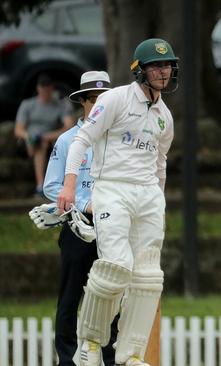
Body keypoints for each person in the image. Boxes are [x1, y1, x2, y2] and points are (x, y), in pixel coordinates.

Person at [57, 38, 178, 366]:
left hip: (149, 194)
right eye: (155, 66)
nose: (163, 71)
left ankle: (131, 353)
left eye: (166, 65)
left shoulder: (164, 116)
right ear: (140, 71)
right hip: (113, 188)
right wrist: (69, 188)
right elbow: (82, 139)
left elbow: (160, 163)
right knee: (116, 267)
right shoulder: (114, 100)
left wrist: (160, 199)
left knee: (148, 277)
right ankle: (91, 343)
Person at [40, 71, 118, 366]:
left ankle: (111, 358)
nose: (100, 106)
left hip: (113, 225)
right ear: (84, 102)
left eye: (106, 100)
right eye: (95, 100)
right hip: (77, 224)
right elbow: (51, 185)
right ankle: (67, 359)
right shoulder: (67, 140)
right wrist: (85, 205)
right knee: (71, 294)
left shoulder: (118, 139)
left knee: (113, 293)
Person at [14, 73, 74, 197]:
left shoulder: (59, 104)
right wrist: (29, 137)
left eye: (48, 89)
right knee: (37, 141)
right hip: (27, 140)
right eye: (43, 88)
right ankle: (41, 186)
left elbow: (69, 127)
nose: (45, 92)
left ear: (52, 89)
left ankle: (43, 186)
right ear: (38, 88)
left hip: (49, 140)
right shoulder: (28, 104)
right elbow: (18, 130)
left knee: (42, 143)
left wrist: (48, 136)